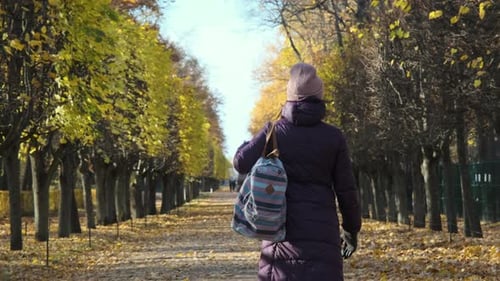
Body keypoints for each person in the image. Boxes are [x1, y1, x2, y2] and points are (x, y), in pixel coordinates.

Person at [233, 62, 362, 281]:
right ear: (319, 97)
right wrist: (351, 232)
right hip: (323, 235)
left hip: (280, 237)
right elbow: (346, 191)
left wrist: (256, 138)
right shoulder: (333, 137)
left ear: (290, 96)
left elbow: (240, 163)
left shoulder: (274, 131)